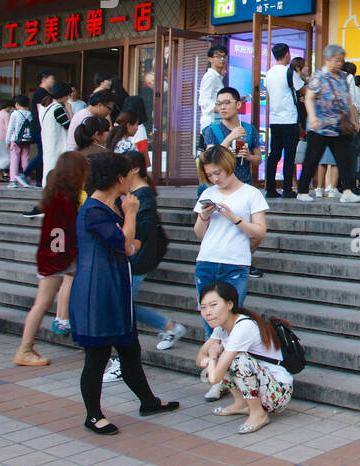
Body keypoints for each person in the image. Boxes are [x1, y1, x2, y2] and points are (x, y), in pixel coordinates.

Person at [70, 152, 179, 435]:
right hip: (98, 290)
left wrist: (128, 222)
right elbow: (123, 243)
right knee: (97, 356)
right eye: (128, 174)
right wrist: (130, 213)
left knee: (130, 349)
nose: (131, 179)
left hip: (114, 286)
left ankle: (149, 401)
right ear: (118, 178)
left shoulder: (108, 206)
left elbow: (129, 246)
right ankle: (93, 415)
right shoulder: (94, 209)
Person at [13, 151, 87, 366]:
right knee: (43, 302)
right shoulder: (65, 198)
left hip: (57, 256)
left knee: (46, 301)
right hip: (58, 257)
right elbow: (63, 231)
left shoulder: (55, 194)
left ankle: (27, 347)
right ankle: (25, 348)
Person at [195, 281, 294, 435]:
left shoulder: (243, 327)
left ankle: (258, 414)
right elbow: (200, 357)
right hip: (262, 386)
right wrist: (210, 360)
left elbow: (214, 378)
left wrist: (212, 357)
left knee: (234, 359)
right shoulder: (222, 327)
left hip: (277, 393)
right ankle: (241, 403)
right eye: (203, 307)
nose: (208, 312)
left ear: (229, 304)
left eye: (213, 305)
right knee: (226, 358)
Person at [193, 145, 268, 308]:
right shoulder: (208, 194)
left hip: (235, 262)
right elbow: (199, 232)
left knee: (231, 319)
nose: (214, 179)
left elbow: (260, 231)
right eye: (209, 175)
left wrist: (235, 219)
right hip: (207, 260)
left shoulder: (251, 193)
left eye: (217, 173)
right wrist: (204, 215)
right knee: (210, 318)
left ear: (228, 166)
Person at [295, 44, 360, 203]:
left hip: (339, 127)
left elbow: (347, 98)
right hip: (319, 126)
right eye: (336, 60)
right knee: (312, 160)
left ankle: (347, 190)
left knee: (345, 159)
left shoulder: (343, 77)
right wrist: (312, 117)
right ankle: (302, 191)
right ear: (327, 59)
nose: (339, 63)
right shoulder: (318, 76)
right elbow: (310, 98)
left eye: (341, 60)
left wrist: (352, 119)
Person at [202, 87, 261, 186]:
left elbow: (258, 159)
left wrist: (249, 156)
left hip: (244, 184)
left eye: (227, 102)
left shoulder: (249, 129)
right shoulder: (212, 130)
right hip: (220, 186)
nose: (222, 107)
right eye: (219, 104)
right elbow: (210, 158)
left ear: (238, 104)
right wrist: (230, 138)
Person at [265, 43, 299, 199]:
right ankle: (287, 188)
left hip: (274, 119)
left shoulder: (269, 73)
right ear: (287, 54)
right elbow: (302, 88)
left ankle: (270, 188)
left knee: (274, 155)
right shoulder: (289, 72)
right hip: (290, 119)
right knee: (289, 155)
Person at [39, 81, 74, 185]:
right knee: (57, 168)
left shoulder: (44, 105)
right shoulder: (57, 108)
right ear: (63, 95)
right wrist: (70, 111)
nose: (68, 98)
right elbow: (70, 126)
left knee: (49, 167)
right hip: (58, 144)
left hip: (48, 142)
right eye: (67, 95)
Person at [26, 71, 57, 185]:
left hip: (40, 127)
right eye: (51, 79)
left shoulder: (44, 92)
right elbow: (41, 112)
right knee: (44, 153)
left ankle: (39, 180)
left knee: (43, 153)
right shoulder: (40, 93)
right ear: (44, 79)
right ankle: (25, 173)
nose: (53, 81)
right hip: (39, 127)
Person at [197, 45, 227, 143]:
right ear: (210, 59)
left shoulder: (217, 77)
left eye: (224, 56)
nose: (222, 59)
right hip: (211, 123)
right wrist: (221, 109)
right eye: (218, 56)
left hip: (216, 122)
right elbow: (204, 101)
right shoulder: (211, 77)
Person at [6, 95, 35, 188]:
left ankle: (13, 181)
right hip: (27, 140)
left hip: (16, 141)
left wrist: (7, 140)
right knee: (25, 159)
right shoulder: (30, 114)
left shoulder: (15, 114)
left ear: (16, 104)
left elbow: (11, 128)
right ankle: (26, 178)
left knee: (14, 159)